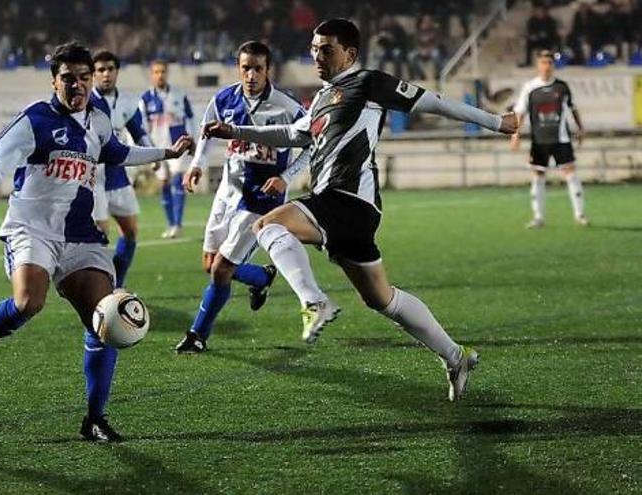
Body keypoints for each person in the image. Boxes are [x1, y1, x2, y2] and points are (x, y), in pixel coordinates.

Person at [202, 19, 518, 402]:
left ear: (350, 54)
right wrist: (235, 131)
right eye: (314, 49)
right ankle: (456, 356)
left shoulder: (368, 82)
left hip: (346, 199)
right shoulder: (321, 98)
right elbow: (292, 135)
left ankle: (313, 301)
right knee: (382, 299)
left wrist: (497, 122)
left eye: (327, 49)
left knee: (268, 225)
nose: (318, 56)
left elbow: (433, 102)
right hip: (349, 210)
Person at [0, 42, 193, 442]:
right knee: (28, 303)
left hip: (80, 234)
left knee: (104, 320)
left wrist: (166, 152)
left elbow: (117, 152)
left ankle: (95, 419)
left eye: (84, 78)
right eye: (68, 78)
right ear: (54, 81)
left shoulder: (98, 121)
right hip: (32, 228)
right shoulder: (33, 121)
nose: (78, 86)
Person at [174, 40, 309, 353]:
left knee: (221, 269)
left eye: (257, 69)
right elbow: (206, 134)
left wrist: (285, 177)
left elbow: (312, 147)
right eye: (245, 68)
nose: (251, 75)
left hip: (260, 201)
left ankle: (197, 335)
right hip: (227, 193)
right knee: (210, 263)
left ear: (268, 70)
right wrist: (195, 165)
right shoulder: (224, 98)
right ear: (238, 68)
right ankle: (261, 278)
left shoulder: (287, 108)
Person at [89, 50, 154, 289]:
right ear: (94, 74)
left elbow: (139, 132)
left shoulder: (128, 102)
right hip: (92, 179)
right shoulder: (85, 102)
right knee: (100, 236)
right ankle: (100, 287)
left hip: (118, 176)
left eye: (110, 69)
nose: (106, 74)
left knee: (130, 231)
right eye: (100, 70)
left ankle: (118, 283)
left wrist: (153, 153)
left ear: (117, 72)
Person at [511, 50, 587, 228]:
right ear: (538, 65)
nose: (546, 66)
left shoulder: (562, 87)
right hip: (539, 140)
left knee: (571, 173)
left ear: (553, 66)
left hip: (561, 139)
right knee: (537, 176)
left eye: (549, 63)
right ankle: (538, 217)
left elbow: (573, 108)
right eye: (543, 62)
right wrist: (516, 134)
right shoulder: (530, 87)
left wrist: (580, 128)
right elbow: (520, 112)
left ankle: (580, 214)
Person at [139, 60, 196, 239]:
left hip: (178, 144)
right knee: (164, 184)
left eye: (163, 71)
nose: (160, 75)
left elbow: (191, 118)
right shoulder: (145, 99)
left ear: (167, 73)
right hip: (158, 147)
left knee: (178, 178)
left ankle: (178, 224)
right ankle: (171, 223)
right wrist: (146, 151)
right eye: (156, 72)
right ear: (151, 74)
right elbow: (142, 127)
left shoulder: (179, 95)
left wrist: (192, 140)